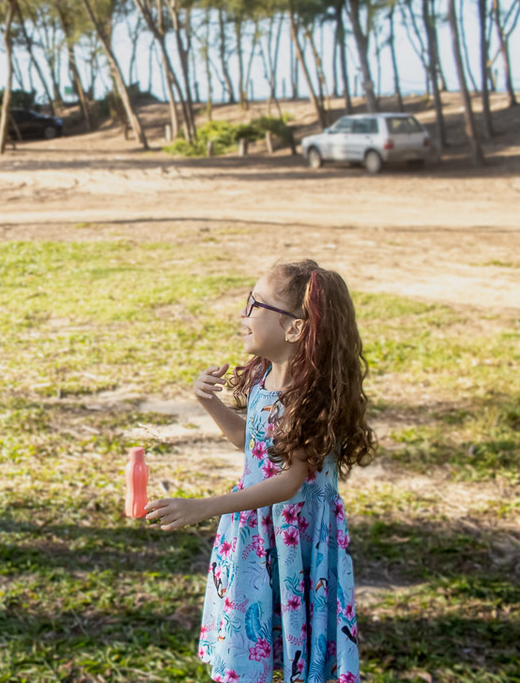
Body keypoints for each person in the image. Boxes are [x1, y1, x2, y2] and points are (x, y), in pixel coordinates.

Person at [147, 260, 375, 683]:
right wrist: (209, 401)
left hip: (294, 534)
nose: (243, 314)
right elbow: (249, 443)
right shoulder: (265, 378)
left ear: (295, 328)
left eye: (255, 305)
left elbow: (289, 482)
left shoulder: (308, 396)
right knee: (254, 644)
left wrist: (204, 506)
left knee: (295, 649)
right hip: (257, 529)